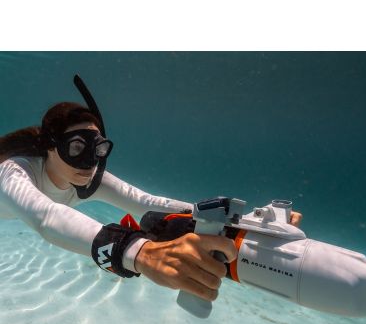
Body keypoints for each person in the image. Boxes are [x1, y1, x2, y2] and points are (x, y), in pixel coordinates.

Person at [0, 77, 302, 304]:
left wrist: (242, 223)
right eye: (77, 148)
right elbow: (45, 217)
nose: (89, 161)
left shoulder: (87, 179)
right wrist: (138, 251)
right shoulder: (14, 171)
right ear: (50, 147)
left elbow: (147, 202)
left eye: (98, 149)